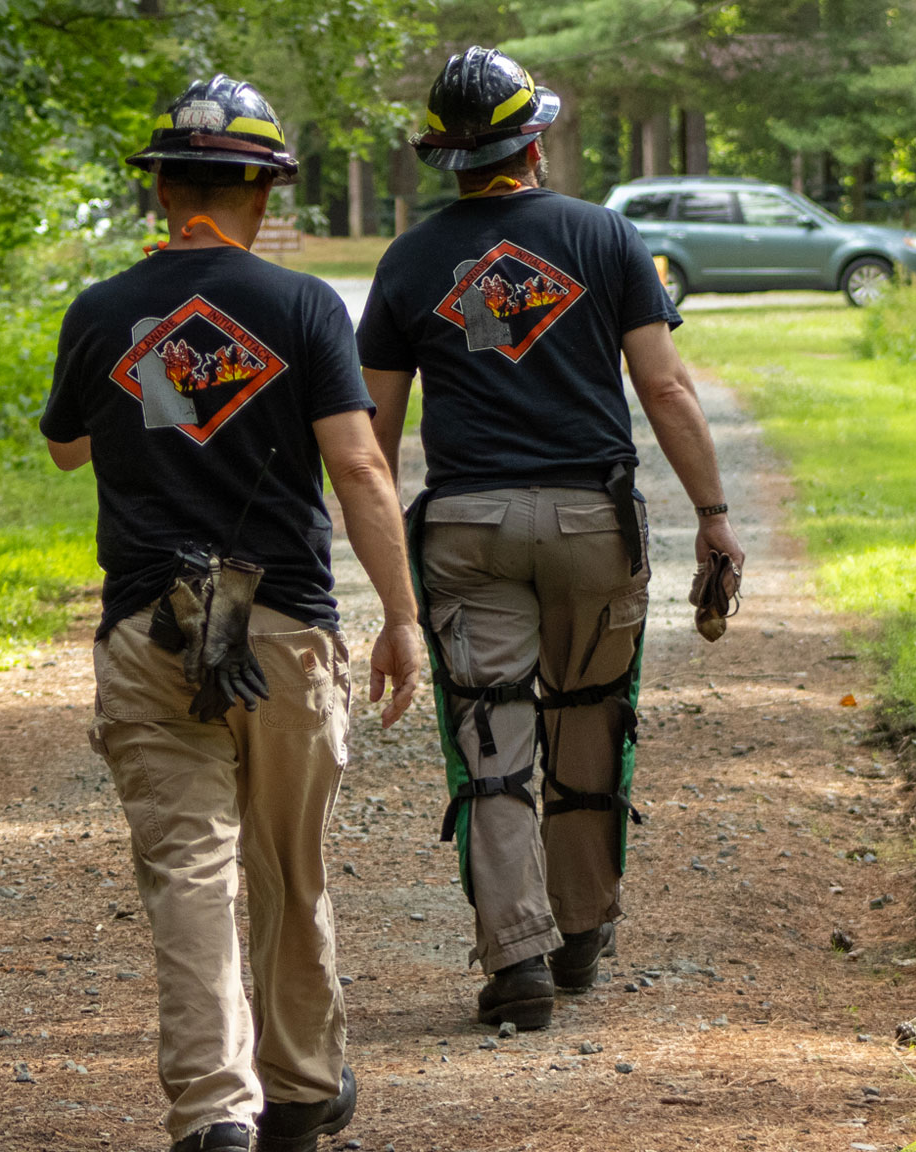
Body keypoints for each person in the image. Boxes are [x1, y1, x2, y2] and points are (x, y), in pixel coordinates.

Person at [40, 76, 425, 1152]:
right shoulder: (304, 308)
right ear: (267, 195)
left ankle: (215, 1112)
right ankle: (301, 1087)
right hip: (285, 626)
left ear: (160, 190)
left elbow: (68, 445)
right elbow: (358, 464)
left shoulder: (102, 310)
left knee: (190, 873)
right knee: (288, 866)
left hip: (149, 628)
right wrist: (400, 617)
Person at [357, 46, 745, 1030]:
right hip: (589, 522)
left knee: (492, 743)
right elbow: (664, 388)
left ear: (451, 157)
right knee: (589, 718)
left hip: (467, 528)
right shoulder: (605, 237)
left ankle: (517, 958)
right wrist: (713, 517)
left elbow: (374, 436)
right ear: (535, 142)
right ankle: (579, 932)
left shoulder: (407, 261)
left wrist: (385, 583)